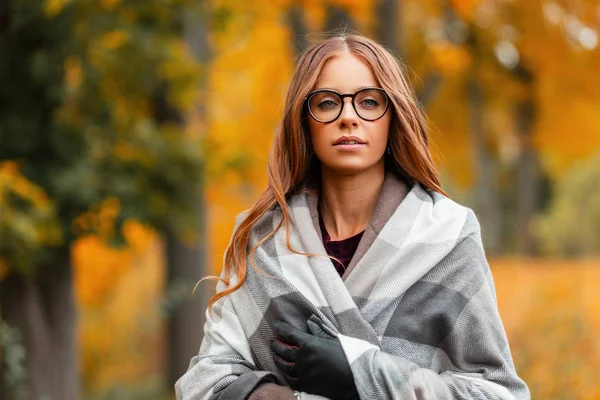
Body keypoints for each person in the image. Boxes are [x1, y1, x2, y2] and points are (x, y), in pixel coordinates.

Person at [175, 34, 530, 400]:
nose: (348, 117)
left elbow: (500, 393)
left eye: (369, 101)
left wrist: (361, 373)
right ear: (304, 120)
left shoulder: (447, 236)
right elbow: (205, 381)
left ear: (393, 117)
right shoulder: (261, 239)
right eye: (327, 103)